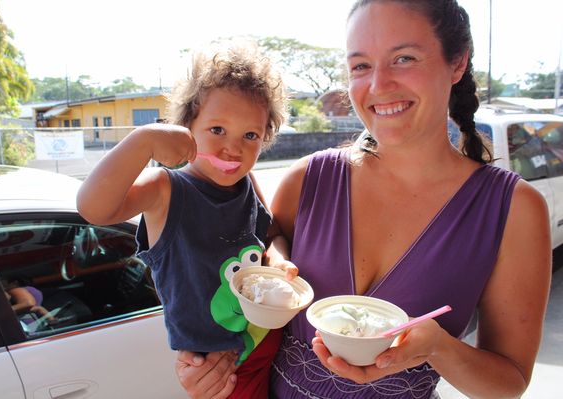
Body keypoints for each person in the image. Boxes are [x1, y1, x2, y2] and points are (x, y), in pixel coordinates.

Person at [174, 1, 552, 398]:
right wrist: (209, 364)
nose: (378, 86)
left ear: (457, 63)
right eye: (360, 66)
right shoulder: (306, 181)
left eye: (403, 58)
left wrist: (440, 348)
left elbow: (508, 383)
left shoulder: (512, 209)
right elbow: (245, 276)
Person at [76, 42, 294, 399]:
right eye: (218, 130)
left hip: (268, 339)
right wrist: (143, 140)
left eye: (250, 135)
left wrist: (280, 261)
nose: (233, 149)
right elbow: (93, 208)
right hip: (220, 368)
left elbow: (271, 235)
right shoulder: (165, 189)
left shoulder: (245, 182)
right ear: (186, 125)